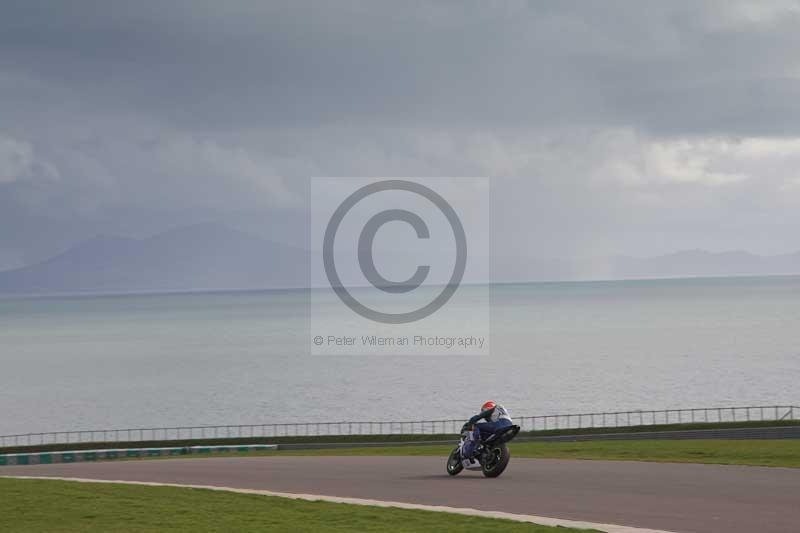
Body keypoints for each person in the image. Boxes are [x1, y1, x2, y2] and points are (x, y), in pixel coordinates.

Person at [460, 400, 513, 468]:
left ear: (486, 407)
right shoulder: (501, 410)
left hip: (499, 424)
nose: (486, 418)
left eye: (483, 410)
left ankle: (475, 444)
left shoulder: (494, 408)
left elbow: (480, 416)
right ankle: (487, 453)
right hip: (509, 425)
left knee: (476, 426)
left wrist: (472, 421)